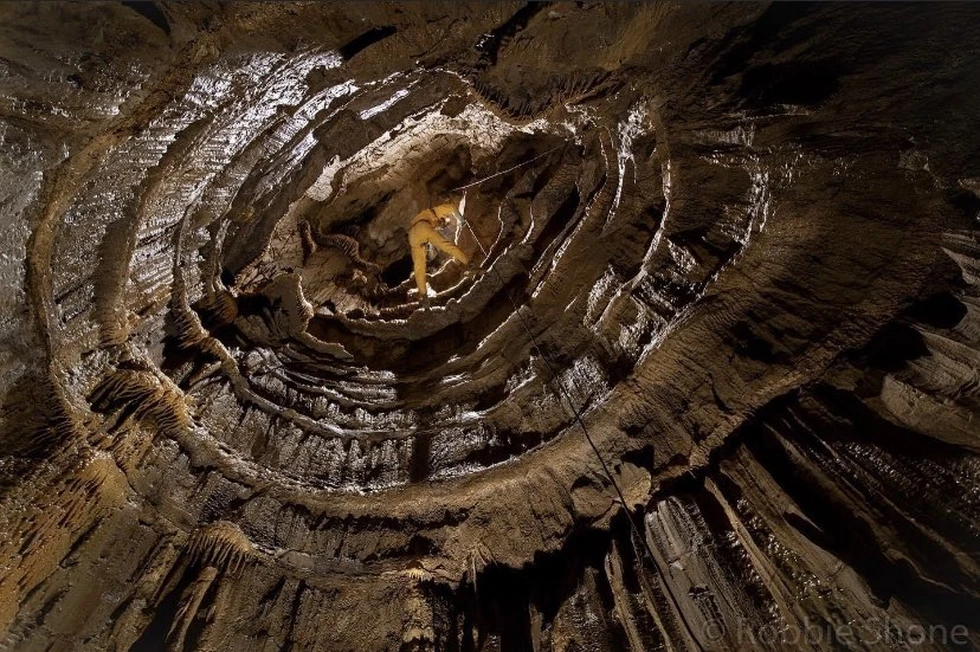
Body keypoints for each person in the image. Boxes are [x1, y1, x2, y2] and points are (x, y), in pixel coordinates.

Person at [408, 200, 479, 307]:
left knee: (419, 267)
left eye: (442, 225)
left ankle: (424, 296)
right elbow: (451, 207)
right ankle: (470, 265)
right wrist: (461, 219)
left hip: (413, 238)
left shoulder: (428, 218)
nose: (441, 225)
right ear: (441, 218)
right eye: (442, 222)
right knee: (447, 246)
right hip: (422, 228)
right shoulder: (434, 212)